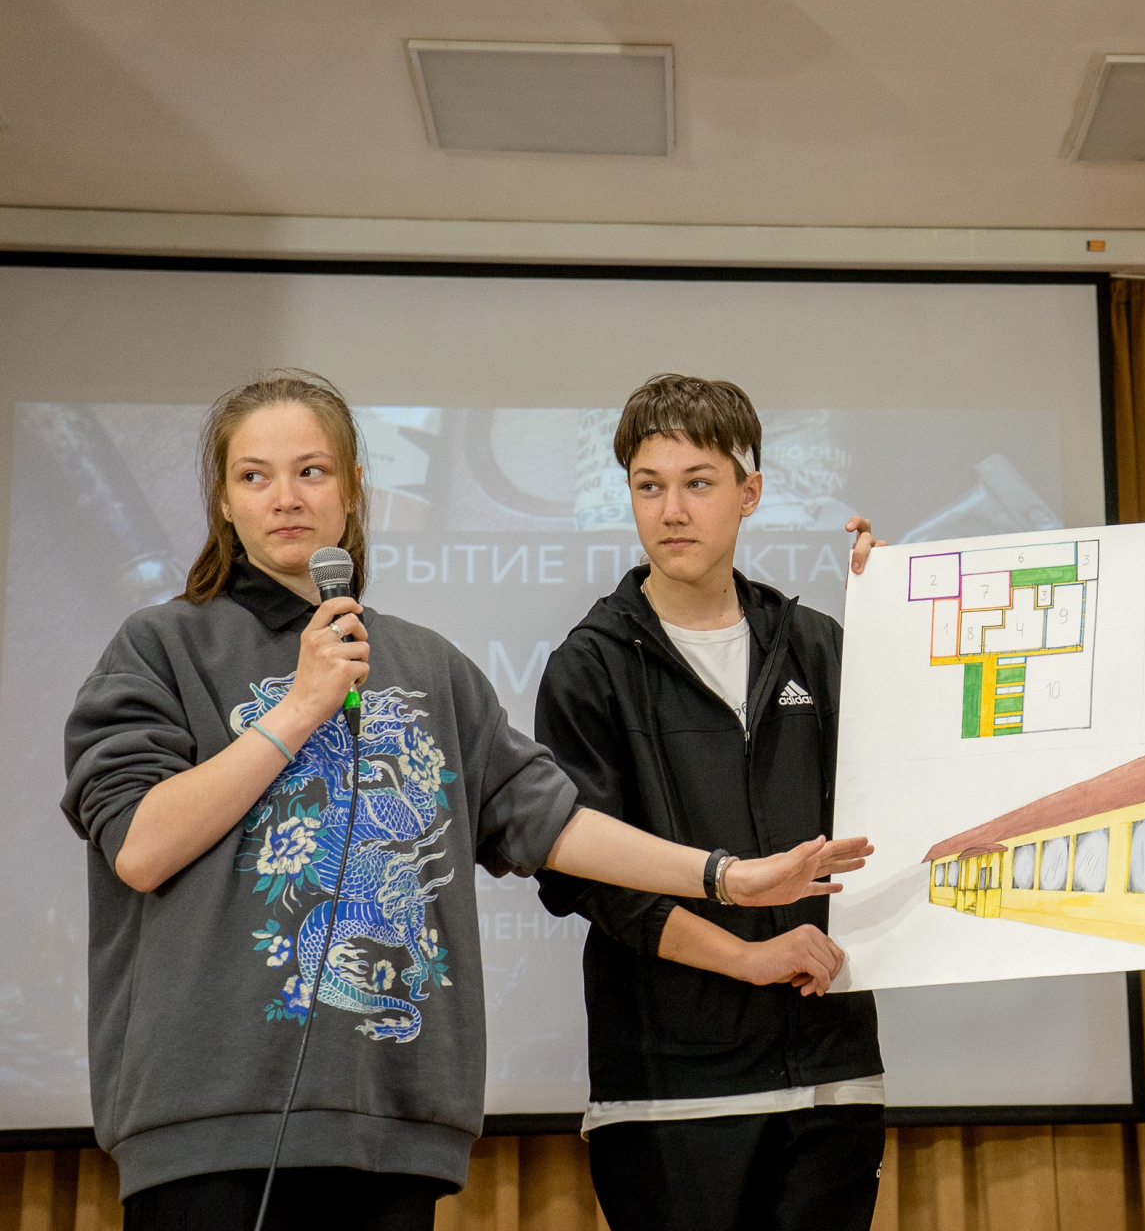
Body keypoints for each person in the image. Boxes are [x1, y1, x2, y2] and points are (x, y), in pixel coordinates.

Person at [62, 370, 874, 1231]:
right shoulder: (161, 647)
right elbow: (140, 846)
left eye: (312, 471)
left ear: (353, 490)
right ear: (225, 503)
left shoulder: (427, 666)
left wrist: (726, 877)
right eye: (254, 476)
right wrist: (299, 706)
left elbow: (555, 824)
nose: (286, 497)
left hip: (394, 1128)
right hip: (212, 1130)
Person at [532, 374, 887, 1231]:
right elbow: (588, 876)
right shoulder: (589, 667)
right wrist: (747, 959)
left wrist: (898, 614)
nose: (672, 511)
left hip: (831, 1074)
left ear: (749, 493)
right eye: (649, 486)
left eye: (698, 483)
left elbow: (908, 791)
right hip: (669, 1091)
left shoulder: (817, 645)